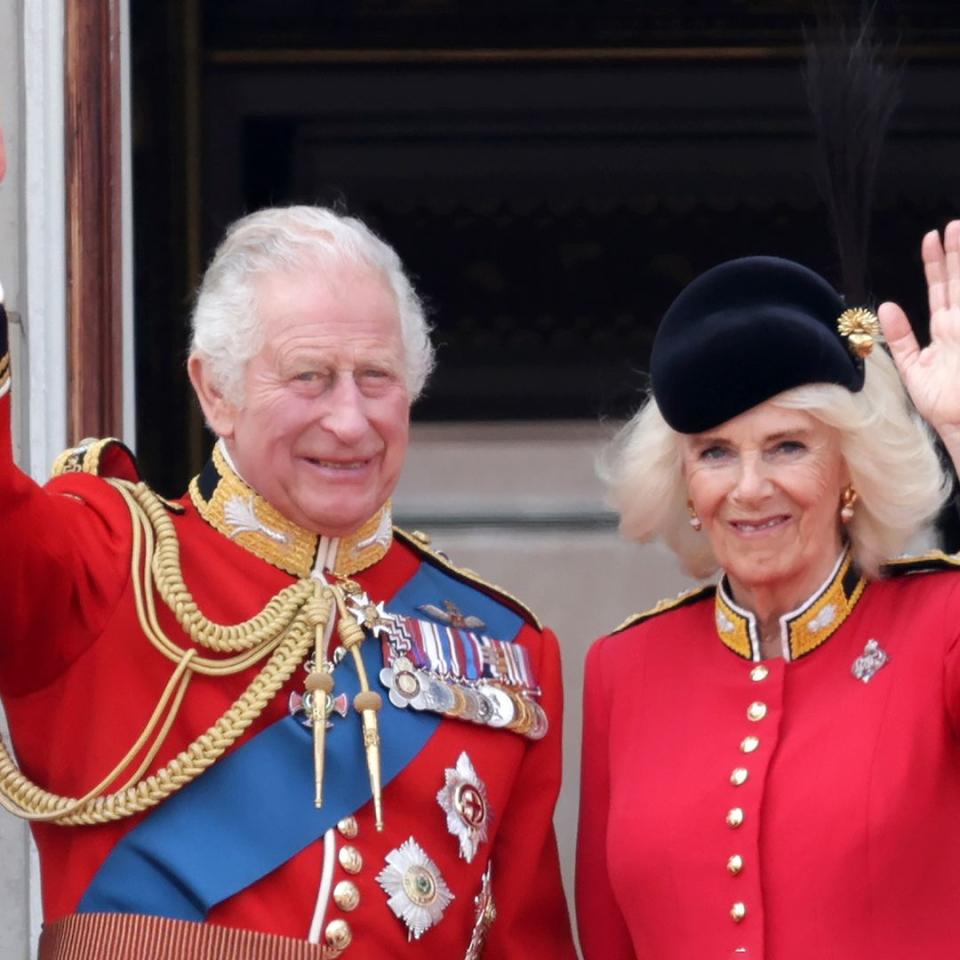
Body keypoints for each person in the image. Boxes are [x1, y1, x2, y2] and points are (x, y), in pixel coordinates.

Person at [0, 187, 576, 956]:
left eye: (376, 377)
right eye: (309, 376)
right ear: (215, 391)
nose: (348, 420)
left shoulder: (508, 653)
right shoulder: (105, 563)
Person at [576, 222, 960, 960]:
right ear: (684, 482)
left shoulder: (941, 625)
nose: (750, 488)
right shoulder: (624, 669)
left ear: (850, 468)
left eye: (788, 446)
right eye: (715, 453)